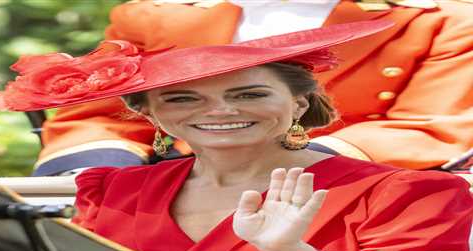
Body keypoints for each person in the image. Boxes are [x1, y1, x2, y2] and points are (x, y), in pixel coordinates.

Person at [0, 21, 473, 251]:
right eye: (183, 98)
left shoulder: (407, 193)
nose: (220, 112)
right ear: (150, 113)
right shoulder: (114, 191)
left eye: (249, 94)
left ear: (301, 103)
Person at [30, 0, 473, 176]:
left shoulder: (444, 19)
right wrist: (94, 175)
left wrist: (284, 169)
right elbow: (102, 118)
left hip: (354, 189)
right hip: (170, 185)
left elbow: (427, 126)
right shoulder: (153, 14)